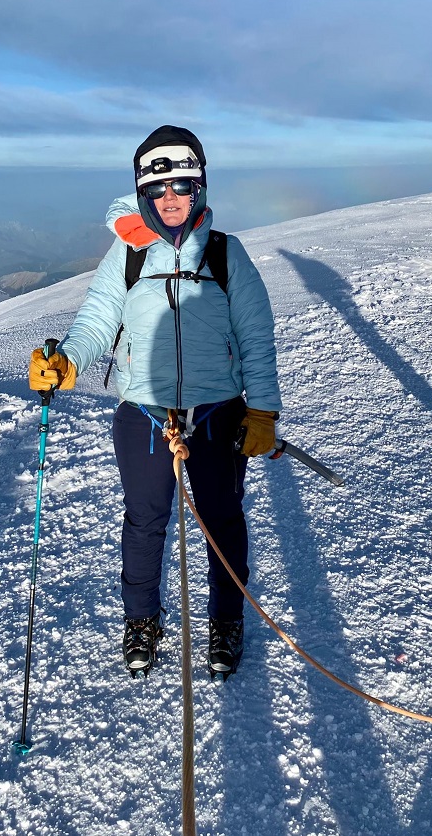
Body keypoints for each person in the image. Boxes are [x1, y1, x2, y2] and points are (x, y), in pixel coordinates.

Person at [29, 125, 282, 680]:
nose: (170, 200)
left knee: (220, 519)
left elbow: (256, 338)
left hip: (217, 411)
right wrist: (68, 360)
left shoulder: (225, 254)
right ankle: (141, 620)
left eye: (183, 187)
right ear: (143, 193)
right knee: (145, 521)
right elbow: (98, 318)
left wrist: (261, 410)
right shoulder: (126, 254)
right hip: (143, 412)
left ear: (201, 189)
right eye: (159, 189)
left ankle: (226, 620)